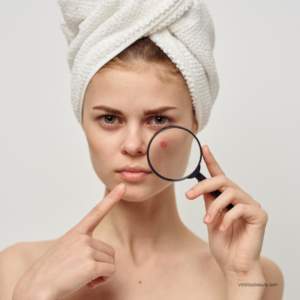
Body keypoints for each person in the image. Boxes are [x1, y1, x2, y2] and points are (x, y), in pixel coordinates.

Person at [0, 1, 284, 300]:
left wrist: (241, 279)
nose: (134, 145)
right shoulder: (18, 268)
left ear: (196, 121)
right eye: (109, 119)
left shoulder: (256, 276)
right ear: (82, 121)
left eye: (159, 120)